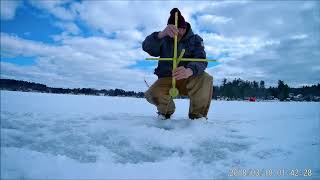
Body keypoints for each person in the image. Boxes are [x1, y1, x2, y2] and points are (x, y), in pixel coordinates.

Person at [142, 8, 213, 120]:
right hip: (167, 78)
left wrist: (189, 70)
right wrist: (161, 35)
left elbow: (201, 60)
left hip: (189, 78)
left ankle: (198, 117)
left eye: (180, 28)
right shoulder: (164, 38)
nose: (178, 32)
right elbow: (146, 47)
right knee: (151, 94)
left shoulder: (195, 39)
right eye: (174, 29)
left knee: (206, 78)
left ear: (185, 27)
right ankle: (166, 112)